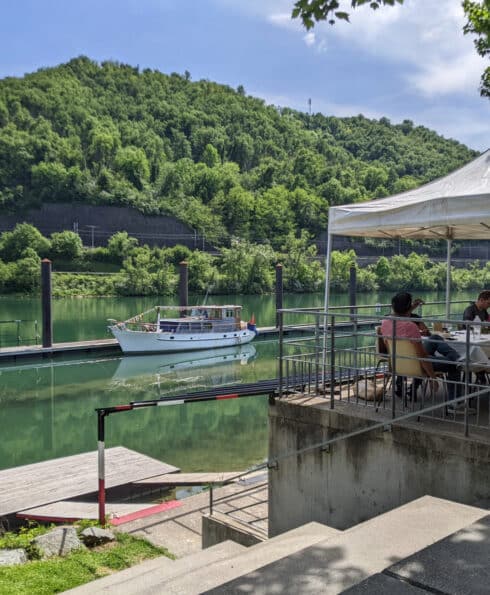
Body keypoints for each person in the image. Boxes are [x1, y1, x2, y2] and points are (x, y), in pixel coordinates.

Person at [381, 292, 460, 402]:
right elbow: (422, 355)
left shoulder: (385, 322)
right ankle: (455, 403)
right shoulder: (410, 326)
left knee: (435, 338)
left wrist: (412, 306)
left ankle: (456, 357)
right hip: (416, 363)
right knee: (454, 364)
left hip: (398, 361)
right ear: (408, 307)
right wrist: (432, 377)